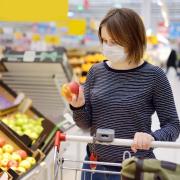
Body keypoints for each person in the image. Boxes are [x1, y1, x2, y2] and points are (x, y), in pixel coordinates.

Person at [65, 8, 180, 180]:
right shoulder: (96, 72)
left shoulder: (154, 76)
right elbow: (85, 124)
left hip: (134, 169)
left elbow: (173, 125)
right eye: (104, 40)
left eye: (115, 42)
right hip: (94, 166)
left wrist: (151, 137)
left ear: (134, 39)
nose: (108, 47)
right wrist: (78, 106)